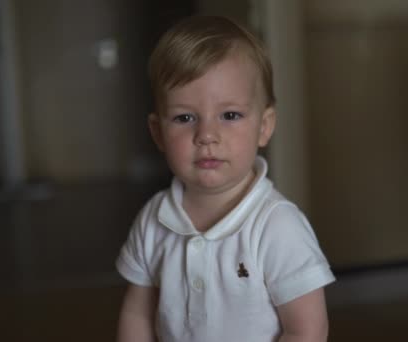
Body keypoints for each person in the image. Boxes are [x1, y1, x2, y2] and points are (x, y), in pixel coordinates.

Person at [116, 15, 335, 342]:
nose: (206, 135)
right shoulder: (153, 220)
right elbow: (137, 312)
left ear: (264, 126)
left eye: (229, 115)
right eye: (185, 117)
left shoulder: (277, 226)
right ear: (158, 133)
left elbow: (307, 330)